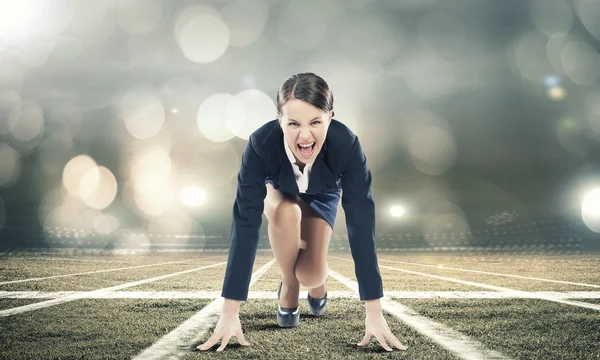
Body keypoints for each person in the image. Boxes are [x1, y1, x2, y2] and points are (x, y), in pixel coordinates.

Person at [198, 72, 407, 352]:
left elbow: (361, 222)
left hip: (323, 196)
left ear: (330, 117)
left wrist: (374, 312)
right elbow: (245, 222)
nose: (305, 135)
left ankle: (314, 284)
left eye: (316, 122)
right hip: (281, 192)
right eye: (293, 123)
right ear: (279, 118)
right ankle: (289, 286)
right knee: (286, 212)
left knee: (312, 276)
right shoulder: (261, 144)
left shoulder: (346, 145)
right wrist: (229, 313)